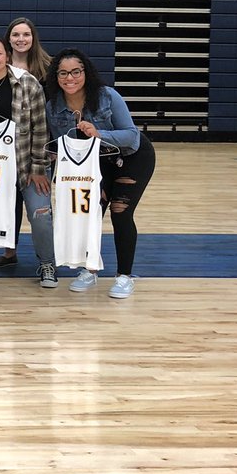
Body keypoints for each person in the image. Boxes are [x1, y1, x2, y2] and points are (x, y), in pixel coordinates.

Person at [45, 48, 155, 299]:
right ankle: (89, 270)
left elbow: (131, 134)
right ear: (56, 76)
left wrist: (99, 133)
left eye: (75, 72)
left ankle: (124, 276)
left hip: (132, 157)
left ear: (86, 72)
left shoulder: (107, 96)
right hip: (95, 165)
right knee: (88, 213)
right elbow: (60, 145)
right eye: (63, 73)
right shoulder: (53, 107)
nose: (69, 78)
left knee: (121, 212)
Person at [0, 35, 56, 288]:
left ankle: (47, 263)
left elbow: (41, 128)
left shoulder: (28, 83)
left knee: (40, 216)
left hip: (27, 164)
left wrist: (38, 168)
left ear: (7, 55)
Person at [0, 17, 52, 268]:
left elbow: (49, 112)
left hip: (37, 145)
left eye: (26, 34)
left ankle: (47, 259)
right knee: (9, 203)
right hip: (4, 148)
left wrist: (49, 150)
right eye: (15, 35)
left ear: (33, 38)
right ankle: (9, 252)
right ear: (9, 40)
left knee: (38, 206)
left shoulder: (46, 67)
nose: (21, 39)